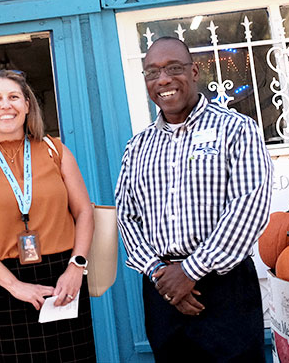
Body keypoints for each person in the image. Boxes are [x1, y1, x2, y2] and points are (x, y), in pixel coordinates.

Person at [115, 37, 273, 362]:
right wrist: (161, 273)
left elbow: (249, 205)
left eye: (174, 68)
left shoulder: (236, 129)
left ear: (195, 71)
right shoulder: (137, 147)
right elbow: (127, 216)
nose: (164, 80)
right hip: (162, 290)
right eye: (152, 72)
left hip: (224, 286)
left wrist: (190, 271)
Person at [0, 69, 96, 362]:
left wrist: (77, 267)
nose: (6, 105)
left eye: (14, 97)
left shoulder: (55, 150)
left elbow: (84, 212)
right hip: (4, 282)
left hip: (63, 277)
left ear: (27, 105)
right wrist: (15, 286)